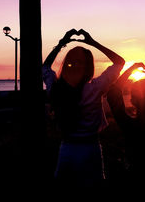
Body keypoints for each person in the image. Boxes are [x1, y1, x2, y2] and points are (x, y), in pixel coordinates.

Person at [42, 28, 125, 187]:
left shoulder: (57, 89)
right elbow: (119, 62)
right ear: (89, 68)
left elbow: (45, 68)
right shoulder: (95, 88)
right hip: (90, 148)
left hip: (66, 149)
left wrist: (62, 43)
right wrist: (92, 42)